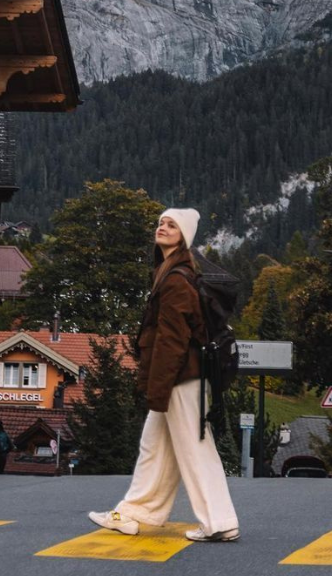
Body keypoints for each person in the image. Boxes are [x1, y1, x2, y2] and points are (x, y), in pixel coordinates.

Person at [89, 208, 240, 542]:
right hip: (180, 376)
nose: (163, 227)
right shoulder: (170, 272)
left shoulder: (175, 279)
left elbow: (172, 340)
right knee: (155, 449)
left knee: (196, 448)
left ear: (183, 236)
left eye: (172, 225)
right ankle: (132, 513)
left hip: (180, 378)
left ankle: (220, 521)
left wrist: (156, 388)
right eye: (160, 223)